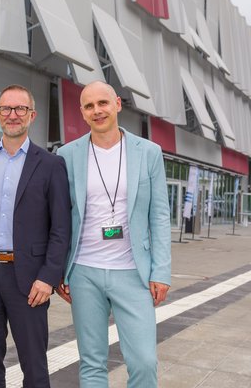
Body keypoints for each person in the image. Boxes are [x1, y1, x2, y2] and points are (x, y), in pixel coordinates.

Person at [55, 81, 171, 387]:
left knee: (144, 362)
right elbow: (61, 217)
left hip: (134, 273)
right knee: (92, 362)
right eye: (89, 106)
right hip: (83, 271)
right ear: (81, 112)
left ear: (117, 104)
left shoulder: (148, 152)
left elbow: (159, 214)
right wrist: (60, 270)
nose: (97, 111)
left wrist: (162, 270)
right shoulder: (67, 154)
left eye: (103, 103)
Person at [0, 84, 71, 387]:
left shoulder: (51, 164)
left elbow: (61, 228)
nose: (13, 115)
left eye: (20, 109)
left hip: (30, 279)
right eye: (6, 109)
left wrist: (49, 277)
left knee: (34, 364)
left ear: (31, 115)